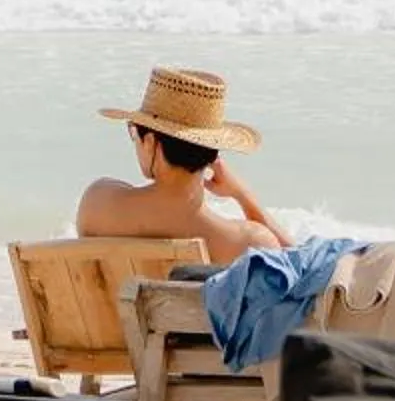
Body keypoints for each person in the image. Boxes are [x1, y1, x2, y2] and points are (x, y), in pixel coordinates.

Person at [77, 65, 287, 265]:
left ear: (150, 142)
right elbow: (302, 273)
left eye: (135, 134)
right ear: (211, 152)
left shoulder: (96, 204)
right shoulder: (251, 244)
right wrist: (242, 195)